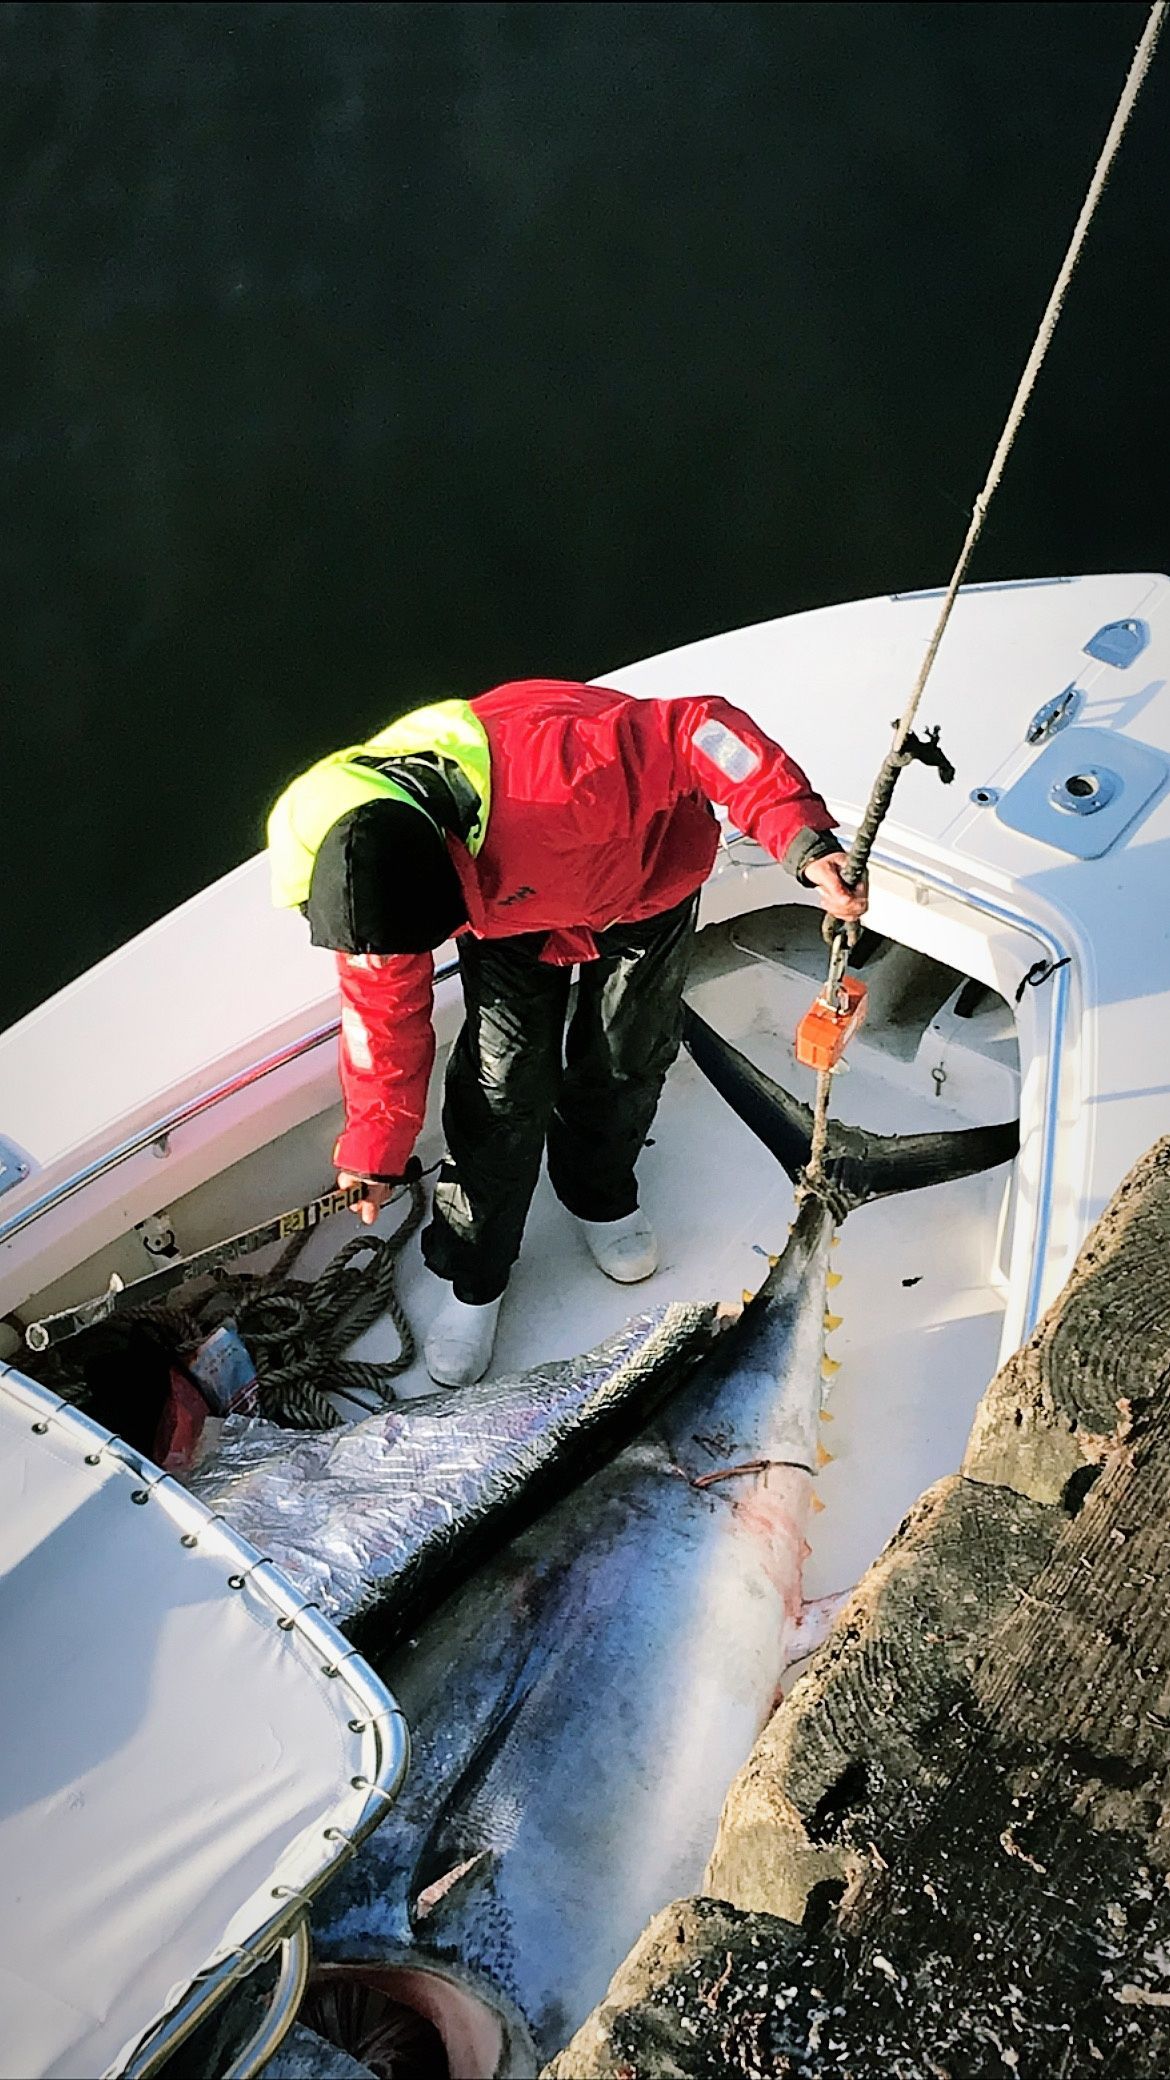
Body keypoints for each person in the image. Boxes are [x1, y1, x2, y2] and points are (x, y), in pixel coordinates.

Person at [266, 678, 866, 1387]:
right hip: (504, 918)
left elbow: (699, 731)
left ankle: (599, 1194)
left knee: (625, 1050)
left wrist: (798, 832)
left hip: (641, 885)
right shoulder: (359, 880)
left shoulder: (571, 765)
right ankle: (476, 1274)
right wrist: (376, 1146)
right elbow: (381, 1019)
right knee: (501, 1084)